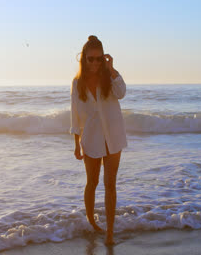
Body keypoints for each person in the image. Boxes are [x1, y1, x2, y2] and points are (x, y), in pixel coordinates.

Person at [69, 35, 127, 245]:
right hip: (91, 138)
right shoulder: (77, 83)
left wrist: (112, 69)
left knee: (110, 185)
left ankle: (110, 232)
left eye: (98, 59)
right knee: (91, 183)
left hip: (114, 136)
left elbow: (122, 93)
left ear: (103, 58)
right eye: (90, 59)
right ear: (83, 59)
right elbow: (75, 115)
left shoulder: (110, 78)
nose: (94, 63)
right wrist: (76, 143)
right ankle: (92, 222)